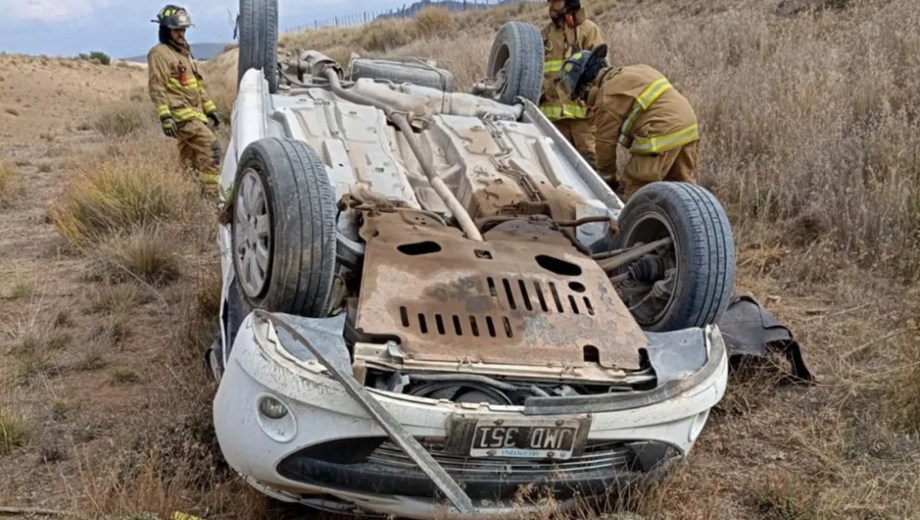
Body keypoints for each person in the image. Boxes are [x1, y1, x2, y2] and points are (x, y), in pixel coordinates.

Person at [557, 44, 700, 200]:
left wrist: (608, 183)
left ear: (587, 85)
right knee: (683, 192)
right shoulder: (634, 71)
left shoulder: (606, 96)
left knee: (633, 194)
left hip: (660, 134)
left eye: (580, 94)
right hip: (688, 127)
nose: (583, 101)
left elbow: (605, 145)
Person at [147, 5, 222, 193]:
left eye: (183, 30)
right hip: (181, 116)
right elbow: (157, 86)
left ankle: (188, 195)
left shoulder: (182, 53)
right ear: (165, 30)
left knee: (190, 161)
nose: (181, 34)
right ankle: (210, 198)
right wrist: (165, 116)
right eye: (176, 30)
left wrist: (209, 108)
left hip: (194, 114)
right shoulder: (160, 54)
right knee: (212, 149)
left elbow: (195, 85)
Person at [540, 0, 605, 167]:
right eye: (549, 2)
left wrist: (595, 104)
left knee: (592, 169)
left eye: (555, 1)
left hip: (583, 121)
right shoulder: (545, 35)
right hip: (554, 122)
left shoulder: (589, 31)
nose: (551, 7)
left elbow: (600, 73)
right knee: (558, 169)